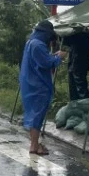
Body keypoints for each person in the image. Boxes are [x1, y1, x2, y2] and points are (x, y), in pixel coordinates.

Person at [20, 20, 67, 156]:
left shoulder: (31, 43)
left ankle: (35, 144)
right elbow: (46, 63)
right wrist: (59, 58)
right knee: (37, 115)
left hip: (29, 83)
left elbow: (41, 60)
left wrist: (53, 56)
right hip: (38, 85)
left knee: (33, 113)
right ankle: (34, 145)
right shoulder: (38, 45)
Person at [66, 31, 89, 100]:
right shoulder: (79, 32)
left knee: (81, 88)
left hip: (79, 62)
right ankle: (76, 106)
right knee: (74, 87)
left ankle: (86, 106)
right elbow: (68, 42)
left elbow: (68, 41)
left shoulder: (81, 32)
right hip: (75, 62)